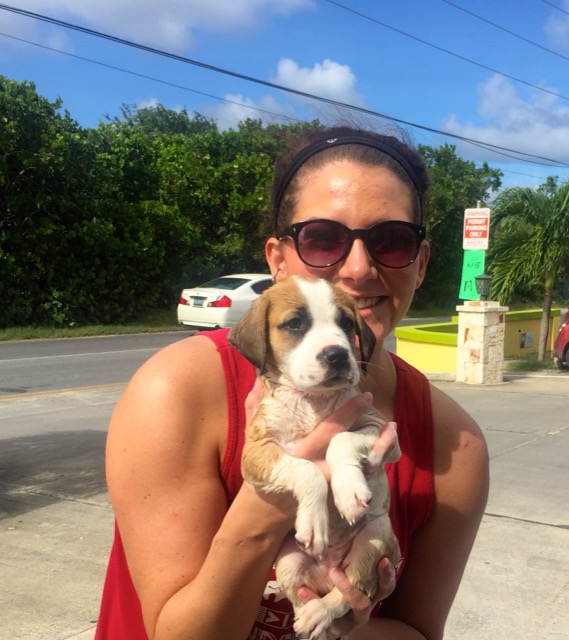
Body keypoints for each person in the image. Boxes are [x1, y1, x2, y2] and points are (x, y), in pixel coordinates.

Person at [95, 125, 489, 640]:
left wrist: (337, 624)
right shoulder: (174, 393)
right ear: (277, 259)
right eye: (322, 239)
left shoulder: (455, 447)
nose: (358, 267)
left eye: (391, 241)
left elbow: (415, 631)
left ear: (421, 264)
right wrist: (279, 500)